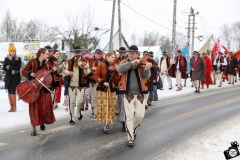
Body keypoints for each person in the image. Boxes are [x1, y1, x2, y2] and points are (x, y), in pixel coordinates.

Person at [117, 45, 151, 147]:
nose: (131, 55)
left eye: (133, 53)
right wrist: (131, 63)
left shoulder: (142, 62)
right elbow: (120, 69)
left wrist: (147, 69)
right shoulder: (124, 62)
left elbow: (146, 76)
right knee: (130, 116)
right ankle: (130, 137)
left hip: (140, 93)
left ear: (137, 54)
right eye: (130, 53)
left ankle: (133, 129)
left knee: (140, 115)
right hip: (128, 93)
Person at [21, 48, 57, 136]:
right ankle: (33, 128)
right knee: (34, 108)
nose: (48, 56)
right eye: (46, 54)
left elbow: (50, 76)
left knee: (44, 107)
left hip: (44, 88)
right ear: (41, 54)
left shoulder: (48, 64)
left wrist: (54, 71)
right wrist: (30, 74)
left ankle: (42, 122)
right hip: (34, 88)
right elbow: (24, 72)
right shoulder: (32, 62)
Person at [94, 51, 121, 134]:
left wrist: (116, 71)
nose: (113, 58)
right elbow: (96, 75)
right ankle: (105, 124)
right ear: (107, 57)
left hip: (112, 88)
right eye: (112, 57)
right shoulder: (102, 65)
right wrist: (102, 82)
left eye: (114, 57)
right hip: (103, 89)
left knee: (111, 106)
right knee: (104, 106)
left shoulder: (115, 66)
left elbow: (117, 79)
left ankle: (109, 121)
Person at [63, 46, 90, 125]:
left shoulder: (85, 61)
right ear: (74, 53)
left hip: (81, 84)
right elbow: (64, 70)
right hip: (71, 83)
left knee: (80, 101)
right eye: (76, 52)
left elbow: (87, 73)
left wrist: (86, 68)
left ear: (81, 52)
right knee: (71, 102)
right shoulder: (70, 61)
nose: (77, 53)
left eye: (79, 52)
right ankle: (72, 118)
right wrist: (68, 73)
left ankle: (78, 112)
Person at [3, 43, 21, 112]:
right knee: (9, 92)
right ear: (9, 52)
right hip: (8, 78)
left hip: (15, 78)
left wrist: (10, 67)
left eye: (13, 51)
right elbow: (4, 68)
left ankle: (14, 107)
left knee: (13, 91)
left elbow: (18, 67)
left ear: (15, 51)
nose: (12, 52)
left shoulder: (18, 58)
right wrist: (11, 71)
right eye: (11, 51)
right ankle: (11, 106)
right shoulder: (6, 58)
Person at [87, 49, 105, 118]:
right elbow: (86, 71)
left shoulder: (104, 61)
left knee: (101, 97)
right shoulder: (90, 61)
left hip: (101, 81)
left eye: (100, 53)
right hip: (93, 81)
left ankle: (100, 111)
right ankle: (95, 112)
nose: (99, 55)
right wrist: (91, 69)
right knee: (94, 97)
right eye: (98, 53)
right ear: (95, 54)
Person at [116, 47, 127, 132]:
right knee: (121, 105)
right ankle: (123, 124)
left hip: (127, 84)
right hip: (119, 85)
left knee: (128, 106)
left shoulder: (127, 60)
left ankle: (129, 122)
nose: (121, 53)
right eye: (120, 52)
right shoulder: (116, 60)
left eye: (122, 52)